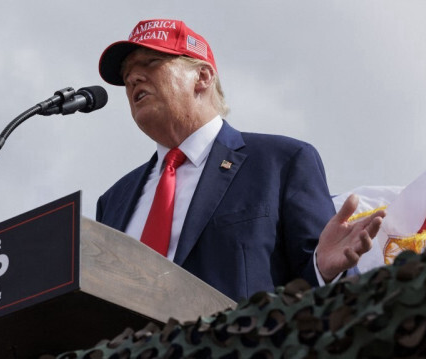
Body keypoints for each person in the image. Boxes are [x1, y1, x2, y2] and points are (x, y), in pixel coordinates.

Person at [95, 19, 384, 301]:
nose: (133, 78)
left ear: (203, 77)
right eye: (127, 75)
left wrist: (324, 271)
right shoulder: (113, 201)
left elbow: (322, 291)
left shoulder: (282, 163)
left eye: (151, 63)